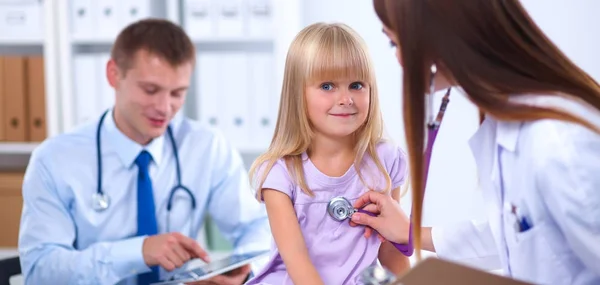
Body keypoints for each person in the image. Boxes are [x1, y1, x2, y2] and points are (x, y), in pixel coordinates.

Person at [349, 0, 600, 284]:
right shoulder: (507, 124)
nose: (401, 61)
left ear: (446, 34)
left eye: (398, 44)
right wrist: (412, 233)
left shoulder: (558, 145)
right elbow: (515, 233)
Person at [18, 19, 271, 285]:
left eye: (177, 93)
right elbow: (41, 271)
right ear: (113, 75)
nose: (164, 108)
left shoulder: (205, 147)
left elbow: (259, 228)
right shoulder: (55, 159)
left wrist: (243, 273)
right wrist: (138, 251)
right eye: (151, 90)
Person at [243, 22, 411, 285]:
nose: (346, 99)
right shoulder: (280, 174)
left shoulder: (385, 159)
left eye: (356, 85)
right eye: (327, 86)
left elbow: (391, 248)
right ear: (298, 94)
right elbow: (296, 258)